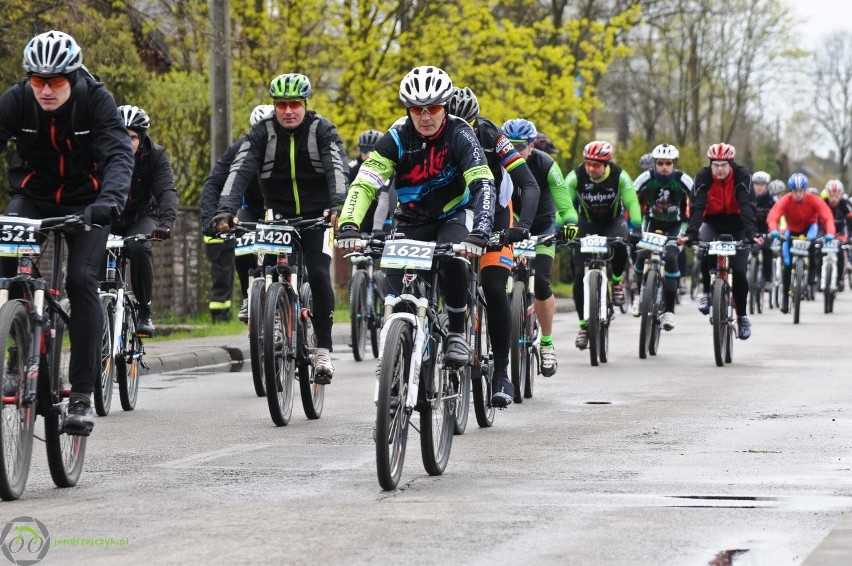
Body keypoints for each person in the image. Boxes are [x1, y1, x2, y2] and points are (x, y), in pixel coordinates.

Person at [0, 31, 134, 435]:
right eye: (37, 80)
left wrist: (109, 202)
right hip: (33, 197)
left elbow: (118, 154)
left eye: (55, 81)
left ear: (72, 77)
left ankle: (80, 394)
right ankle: (13, 353)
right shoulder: (17, 100)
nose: (45, 89)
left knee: (81, 280)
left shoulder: (95, 100)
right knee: (8, 269)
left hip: (88, 202)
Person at [336, 66, 495, 372]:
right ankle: (399, 351)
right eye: (416, 109)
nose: (425, 117)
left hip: (453, 215)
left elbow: (482, 184)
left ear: (445, 106)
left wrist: (481, 230)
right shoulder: (396, 137)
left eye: (433, 108)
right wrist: (349, 223)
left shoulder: (460, 134)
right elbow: (366, 183)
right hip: (411, 219)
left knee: (454, 260)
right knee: (397, 288)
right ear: (407, 110)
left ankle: (457, 335)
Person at [210, 74, 348, 383]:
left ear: (305, 104)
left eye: (294, 104)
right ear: (274, 106)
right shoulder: (262, 133)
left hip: (318, 215)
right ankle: (274, 316)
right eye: (281, 104)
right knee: (271, 268)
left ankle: (323, 350)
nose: (288, 111)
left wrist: (338, 205)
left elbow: (337, 167)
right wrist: (225, 211)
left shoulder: (321, 130)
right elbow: (240, 169)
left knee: (319, 271)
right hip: (279, 213)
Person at [444, 86, 540, 406]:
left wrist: (521, 228)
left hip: (496, 214)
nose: (463, 131)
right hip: (456, 214)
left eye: (468, 124)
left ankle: (501, 373)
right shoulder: (434, 135)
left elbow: (527, 182)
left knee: (495, 288)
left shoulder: (490, 133)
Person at [502, 117, 577, 377]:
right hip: (511, 226)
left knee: (543, 281)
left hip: (542, 226)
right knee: (496, 280)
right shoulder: (498, 162)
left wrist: (569, 222)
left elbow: (564, 201)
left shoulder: (546, 163)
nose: (513, 151)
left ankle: (546, 343)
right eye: (509, 145)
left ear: (532, 145)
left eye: (519, 146)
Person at [565, 140, 641, 349]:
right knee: (580, 274)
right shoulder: (575, 176)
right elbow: (563, 204)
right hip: (586, 224)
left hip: (612, 223)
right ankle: (583, 326)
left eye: (597, 165)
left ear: (606, 165)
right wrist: (561, 227)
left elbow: (632, 202)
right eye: (588, 163)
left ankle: (616, 281)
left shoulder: (620, 176)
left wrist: (636, 227)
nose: (591, 168)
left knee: (620, 244)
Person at [679, 143, 760, 339]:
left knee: (739, 271)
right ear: (710, 164)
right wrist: (691, 234)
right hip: (713, 222)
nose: (720, 169)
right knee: (706, 248)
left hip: (739, 224)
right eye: (715, 165)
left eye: (724, 165)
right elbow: (697, 207)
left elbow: (746, 205)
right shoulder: (702, 176)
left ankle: (742, 316)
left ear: (731, 164)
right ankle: (707, 292)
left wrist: (751, 233)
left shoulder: (742, 175)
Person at [200, 104, 272, 323]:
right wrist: (211, 219)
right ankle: (249, 295)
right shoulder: (241, 147)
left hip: (282, 209)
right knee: (241, 244)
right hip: (251, 209)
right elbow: (214, 182)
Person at [113, 105, 179, 336]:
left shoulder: (156, 155)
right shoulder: (100, 153)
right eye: (121, 135)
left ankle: (144, 310)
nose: (126, 142)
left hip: (142, 215)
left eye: (132, 137)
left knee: (139, 246)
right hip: (109, 215)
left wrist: (166, 222)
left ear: (141, 139)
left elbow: (167, 190)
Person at [630, 143, 692, 330]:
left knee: (672, 258)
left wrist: (691, 231)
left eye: (668, 163)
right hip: (651, 223)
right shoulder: (646, 178)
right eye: (660, 163)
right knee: (641, 255)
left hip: (676, 225)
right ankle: (639, 295)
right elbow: (629, 198)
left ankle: (669, 312)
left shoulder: (683, 179)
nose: (664, 167)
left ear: (674, 163)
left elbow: (699, 199)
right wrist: (631, 225)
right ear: (655, 164)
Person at [766, 173, 835, 313]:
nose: (797, 194)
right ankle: (785, 298)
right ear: (791, 191)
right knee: (786, 263)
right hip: (791, 231)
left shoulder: (813, 199)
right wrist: (773, 230)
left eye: (800, 191)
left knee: (812, 245)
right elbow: (773, 215)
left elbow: (827, 216)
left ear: (805, 190)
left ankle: (811, 277)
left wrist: (830, 233)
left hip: (809, 228)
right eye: (794, 191)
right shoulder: (785, 200)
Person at [348, 128, 396, 237]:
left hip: (385, 218)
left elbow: (385, 199)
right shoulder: (351, 168)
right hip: (361, 217)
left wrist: (376, 229)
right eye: (365, 151)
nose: (369, 155)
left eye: (373, 150)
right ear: (360, 150)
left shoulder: (389, 168)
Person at [822, 179, 852, 290]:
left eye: (837, 195)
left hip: (840, 233)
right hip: (825, 233)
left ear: (841, 194)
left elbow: (850, 223)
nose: (834, 199)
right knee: (817, 252)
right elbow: (816, 221)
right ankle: (817, 276)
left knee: (841, 252)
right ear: (827, 194)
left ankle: (840, 277)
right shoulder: (823, 203)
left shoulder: (845, 204)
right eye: (831, 195)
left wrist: (849, 237)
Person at [750, 171, 777, 292]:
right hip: (752, 230)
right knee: (745, 251)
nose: (759, 187)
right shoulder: (748, 197)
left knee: (767, 251)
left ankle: (767, 279)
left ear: (766, 185)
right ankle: (748, 276)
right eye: (756, 184)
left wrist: (775, 230)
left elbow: (778, 214)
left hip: (767, 230)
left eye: (762, 184)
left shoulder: (771, 199)